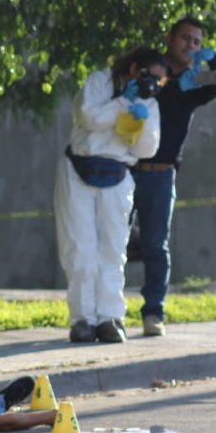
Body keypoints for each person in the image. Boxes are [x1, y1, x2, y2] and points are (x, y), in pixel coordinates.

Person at [54, 47, 165, 344]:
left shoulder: (148, 102)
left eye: (159, 81)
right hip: (79, 169)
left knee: (114, 249)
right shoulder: (99, 82)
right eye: (148, 76)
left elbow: (147, 149)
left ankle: (110, 317)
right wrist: (121, 104)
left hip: (117, 174)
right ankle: (82, 319)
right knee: (79, 246)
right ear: (133, 69)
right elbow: (88, 116)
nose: (151, 84)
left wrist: (137, 120)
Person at [132, 16, 216, 337]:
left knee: (155, 246)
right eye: (185, 39)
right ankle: (107, 314)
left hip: (162, 175)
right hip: (127, 169)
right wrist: (170, 83)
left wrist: (213, 59)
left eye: (196, 42)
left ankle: (153, 313)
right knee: (113, 243)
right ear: (169, 37)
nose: (190, 46)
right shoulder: (152, 70)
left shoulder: (194, 84)